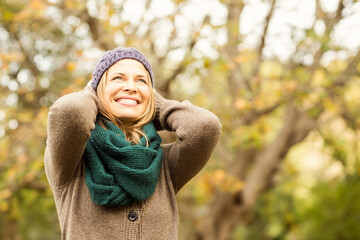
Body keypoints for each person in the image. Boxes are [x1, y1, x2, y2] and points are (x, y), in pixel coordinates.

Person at [44, 47, 222, 239]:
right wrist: (93, 91)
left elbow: (206, 127)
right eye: (118, 78)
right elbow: (70, 113)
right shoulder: (71, 160)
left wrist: (156, 107)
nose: (131, 86)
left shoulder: (166, 166)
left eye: (141, 81)